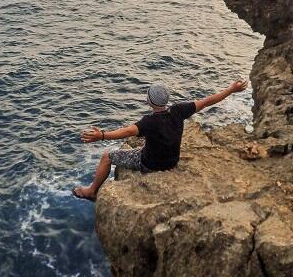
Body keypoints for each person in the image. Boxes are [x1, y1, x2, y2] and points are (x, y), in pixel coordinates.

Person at [72, 80, 248, 201]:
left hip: (152, 164)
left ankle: (91, 191)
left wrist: (101, 135)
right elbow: (207, 101)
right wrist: (232, 89)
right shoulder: (179, 110)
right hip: (173, 161)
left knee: (107, 157)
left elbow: (126, 131)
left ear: (149, 101)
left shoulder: (149, 122)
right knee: (148, 144)